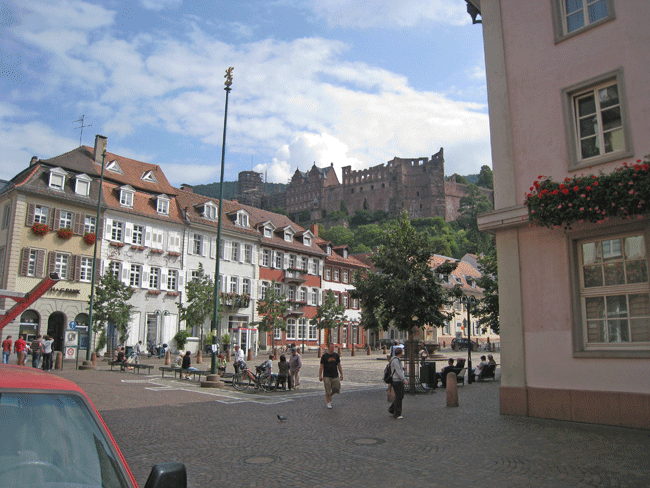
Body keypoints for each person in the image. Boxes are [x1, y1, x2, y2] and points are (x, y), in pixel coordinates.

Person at [319, 343, 343, 409]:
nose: (333, 349)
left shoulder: (336, 355)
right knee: (327, 389)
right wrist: (320, 375)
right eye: (331, 347)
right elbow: (321, 366)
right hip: (326, 375)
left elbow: (339, 365)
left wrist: (341, 373)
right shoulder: (324, 356)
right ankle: (328, 402)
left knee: (337, 388)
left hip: (335, 375)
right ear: (328, 348)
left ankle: (330, 396)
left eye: (334, 347)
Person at [388, 347, 406, 419]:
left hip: (397, 380)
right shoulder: (395, 360)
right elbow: (398, 371)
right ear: (400, 353)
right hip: (396, 380)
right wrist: (404, 380)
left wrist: (403, 368)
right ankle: (397, 413)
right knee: (399, 397)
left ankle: (392, 409)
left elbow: (398, 369)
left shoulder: (396, 360)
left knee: (400, 396)